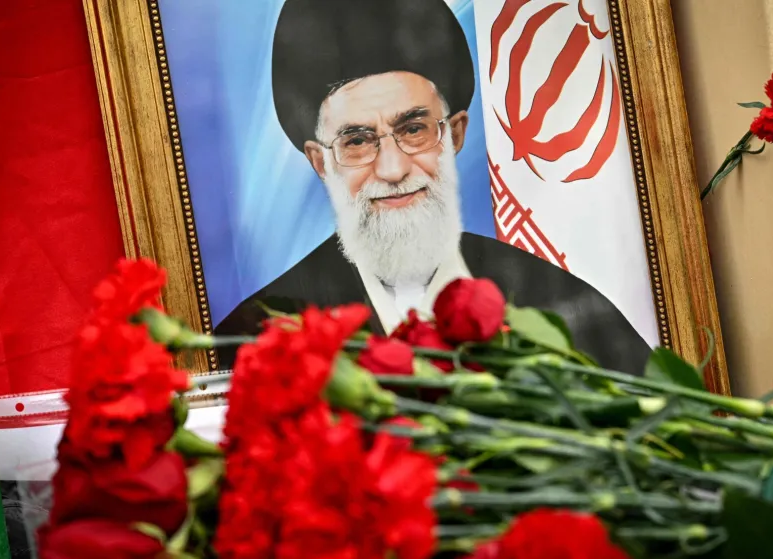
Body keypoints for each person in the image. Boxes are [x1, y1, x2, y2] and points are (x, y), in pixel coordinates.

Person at [213, 0, 651, 375]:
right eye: (357, 141)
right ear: (321, 162)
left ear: (455, 134)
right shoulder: (262, 333)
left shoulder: (559, 303)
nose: (392, 168)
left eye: (415, 129)